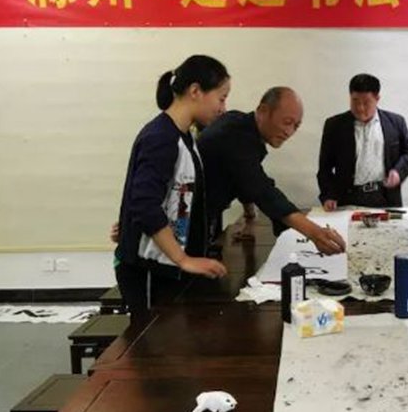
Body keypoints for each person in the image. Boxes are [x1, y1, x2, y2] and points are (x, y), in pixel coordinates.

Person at [114, 55, 229, 324]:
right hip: (150, 269)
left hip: (166, 265)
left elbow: (165, 195)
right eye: (221, 98)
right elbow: (144, 204)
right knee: (156, 342)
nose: (223, 108)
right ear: (195, 91)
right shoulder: (161, 137)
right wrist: (183, 259)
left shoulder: (183, 135)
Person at [199, 86, 346, 254]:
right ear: (263, 111)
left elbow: (243, 178)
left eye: (296, 126)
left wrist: (249, 218)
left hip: (206, 211)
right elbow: (261, 189)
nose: (289, 132)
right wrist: (315, 233)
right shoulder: (235, 135)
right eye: (287, 122)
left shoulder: (240, 123)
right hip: (192, 215)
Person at [317, 73, 408, 209]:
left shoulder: (396, 122)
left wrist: (398, 172)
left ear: (377, 99)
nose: (360, 107)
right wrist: (328, 195)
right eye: (355, 101)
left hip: (385, 197)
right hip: (347, 198)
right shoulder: (334, 125)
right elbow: (325, 167)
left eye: (366, 102)